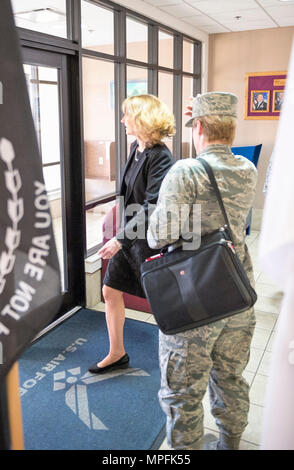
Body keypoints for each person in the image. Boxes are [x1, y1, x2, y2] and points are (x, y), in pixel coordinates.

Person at [147, 92, 258, 450]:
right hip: (238, 292)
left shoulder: (186, 170)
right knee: (230, 378)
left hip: (196, 299)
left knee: (183, 393)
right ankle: (229, 444)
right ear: (231, 129)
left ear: (198, 128)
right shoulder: (247, 168)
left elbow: (158, 235)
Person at [88, 94, 175, 374]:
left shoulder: (160, 155)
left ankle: (178, 360)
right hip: (130, 238)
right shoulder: (136, 148)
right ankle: (117, 353)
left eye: (128, 115)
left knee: (163, 305)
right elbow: (128, 194)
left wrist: (119, 239)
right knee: (110, 290)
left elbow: (152, 206)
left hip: (148, 242)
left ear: (143, 119)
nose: (123, 120)